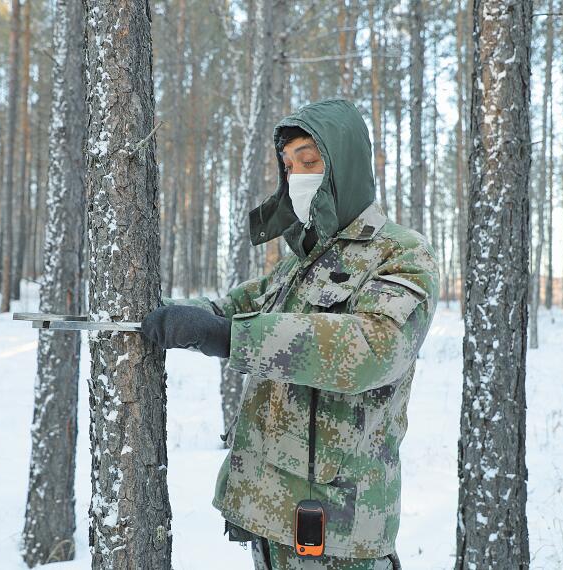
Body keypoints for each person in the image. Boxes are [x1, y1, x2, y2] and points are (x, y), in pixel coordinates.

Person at [142, 98, 440, 570]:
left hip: (339, 532)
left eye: (310, 160)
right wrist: (182, 318)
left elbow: (371, 349)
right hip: (273, 520)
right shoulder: (305, 258)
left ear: (345, 164)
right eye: (288, 164)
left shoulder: (400, 254)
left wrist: (231, 337)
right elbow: (235, 307)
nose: (297, 174)